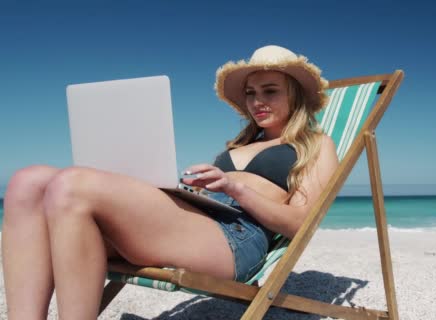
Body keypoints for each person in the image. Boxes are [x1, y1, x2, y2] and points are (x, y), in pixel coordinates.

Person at [1, 45, 339, 319]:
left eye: (270, 91)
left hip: (235, 237)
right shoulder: (240, 144)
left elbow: (301, 224)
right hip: (196, 219)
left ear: (295, 96)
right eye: (251, 93)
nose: (257, 102)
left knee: (71, 185)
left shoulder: (315, 145)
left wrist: (234, 187)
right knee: (27, 182)